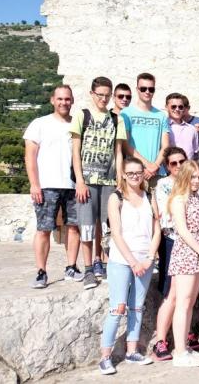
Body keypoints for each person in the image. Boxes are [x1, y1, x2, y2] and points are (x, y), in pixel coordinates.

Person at [98, 157, 160, 375]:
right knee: (118, 308)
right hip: (122, 260)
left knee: (137, 307)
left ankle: (132, 351)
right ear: (123, 174)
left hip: (145, 258)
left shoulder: (149, 196)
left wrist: (149, 257)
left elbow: (157, 228)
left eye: (138, 172)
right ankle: (105, 357)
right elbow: (116, 233)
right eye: (130, 173)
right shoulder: (116, 198)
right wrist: (133, 262)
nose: (135, 176)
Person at [71, 77, 126, 289]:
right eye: (100, 95)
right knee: (86, 225)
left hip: (108, 180)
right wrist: (80, 181)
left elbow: (118, 152)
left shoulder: (115, 119)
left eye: (106, 95)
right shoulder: (82, 116)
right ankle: (87, 270)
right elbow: (75, 150)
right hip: (87, 180)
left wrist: (119, 181)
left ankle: (101, 263)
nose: (103, 99)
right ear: (92, 94)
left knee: (106, 226)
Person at [24, 85, 82, 288]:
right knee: (44, 229)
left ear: (72, 101)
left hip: (73, 185)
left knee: (74, 227)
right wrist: (34, 184)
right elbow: (30, 156)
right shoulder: (39, 124)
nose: (64, 102)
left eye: (67, 99)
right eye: (60, 99)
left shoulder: (77, 124)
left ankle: (72, 267)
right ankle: (41, 272)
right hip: (47, 185)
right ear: (52, 100)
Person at [152, 147, 199, 361]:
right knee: (173, 296)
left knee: (186, 299)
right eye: (174, 163)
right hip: (175, 243)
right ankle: (163, 341)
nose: (179, 165)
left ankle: (183, 343)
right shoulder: (167, 188)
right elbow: (170, 219)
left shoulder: (197, 194)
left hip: (195, 246)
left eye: (182, 161)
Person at [167, 160, 199, 366]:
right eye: (193, 177)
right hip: (186, 252)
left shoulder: (198, 197)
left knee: (190, 303)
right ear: (185, 176)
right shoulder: (179, 199)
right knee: (182, 302)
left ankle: (184, 345)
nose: (196, 180)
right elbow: (182, 231)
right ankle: (179, 352)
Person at [120, 73, 170, 185]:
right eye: (143, 89)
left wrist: (155, 166)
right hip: (134, 174)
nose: (147, 92)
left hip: (157, 173)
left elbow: (166, 146)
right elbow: (126, 144)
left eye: (151, 89)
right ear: (137, 90)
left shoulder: (161, 115)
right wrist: (147, 165)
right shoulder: (126, 113)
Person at [166, 93, 198, 162]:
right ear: (166, 107)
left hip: (188, 170)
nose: (177, 109)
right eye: (173, 106)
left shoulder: (192, 129)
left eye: (180, 107)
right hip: (169, 170)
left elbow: (195, 154)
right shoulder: (163, 128)